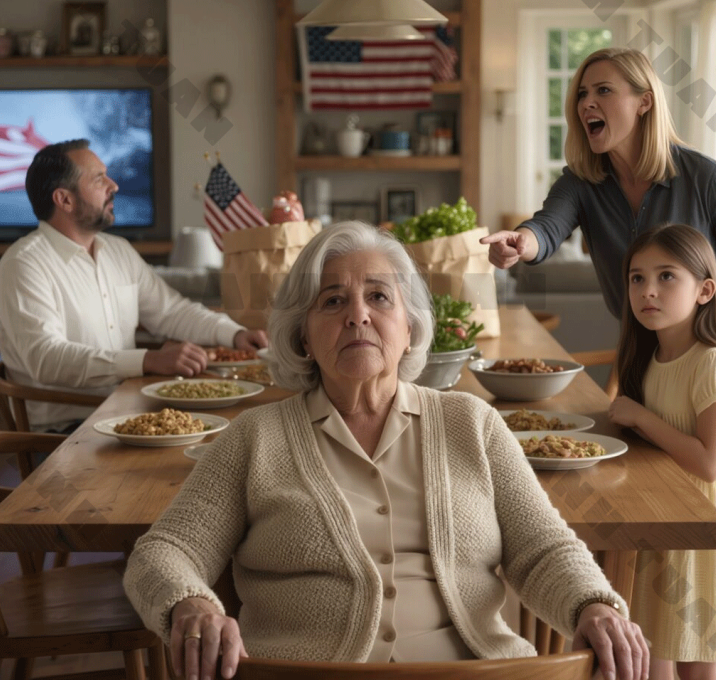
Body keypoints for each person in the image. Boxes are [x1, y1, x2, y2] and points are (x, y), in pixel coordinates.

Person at [124, 220, 648, 680]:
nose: (358, 316)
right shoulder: (254, 438)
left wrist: (593, 606)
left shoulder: (473, 423)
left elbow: (544, 550)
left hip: (473, 673)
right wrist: (190, 603)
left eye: (379, 297)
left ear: (410, 326)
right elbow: (161, 554)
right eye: (332, 301)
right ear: (303, 336)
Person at [481, 47, 716, 475]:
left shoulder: (706, 178)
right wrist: (521, 242)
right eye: (582, 94)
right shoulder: (580, 182)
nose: (586, 103)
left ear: (644, 101)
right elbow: (547, 227)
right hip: (647, 356)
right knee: (651, 484)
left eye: (604, 91)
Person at [0, 139, 267, 433]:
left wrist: (235, 334)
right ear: (65, 200)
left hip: (127, 414)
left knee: (237, 432)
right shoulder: (23, 265)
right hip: (64, 434)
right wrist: (148, 360)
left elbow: (171, 311)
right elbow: (46, 359)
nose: (114, 186)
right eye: (99, 179)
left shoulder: (118, 251)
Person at [608, 223, 716, 679]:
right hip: (661, 513)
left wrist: (640, 417)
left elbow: (713, 465)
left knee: (697, 660)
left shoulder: (712, 361)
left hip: (703, 523)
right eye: (637, 278)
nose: (648, 290)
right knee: (654, 646)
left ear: (706, 290)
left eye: (666, 276)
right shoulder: (650, 357)